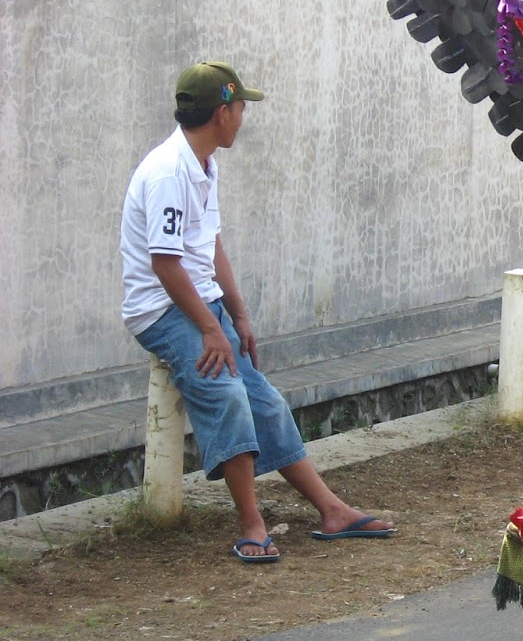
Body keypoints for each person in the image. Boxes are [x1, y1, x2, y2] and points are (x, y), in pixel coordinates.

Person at [121, 61, 395, 564]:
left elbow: (211, 246)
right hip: (162, 310)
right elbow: (165, 265)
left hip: (200, 304)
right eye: (241, 108)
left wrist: (238, 316)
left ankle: (332, 510)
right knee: (228, 395)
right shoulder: (168, 172)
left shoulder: (204, 165)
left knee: (264, 401)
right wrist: (211, 329)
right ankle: (252, 525)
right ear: (222, 112)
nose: (244, 118)